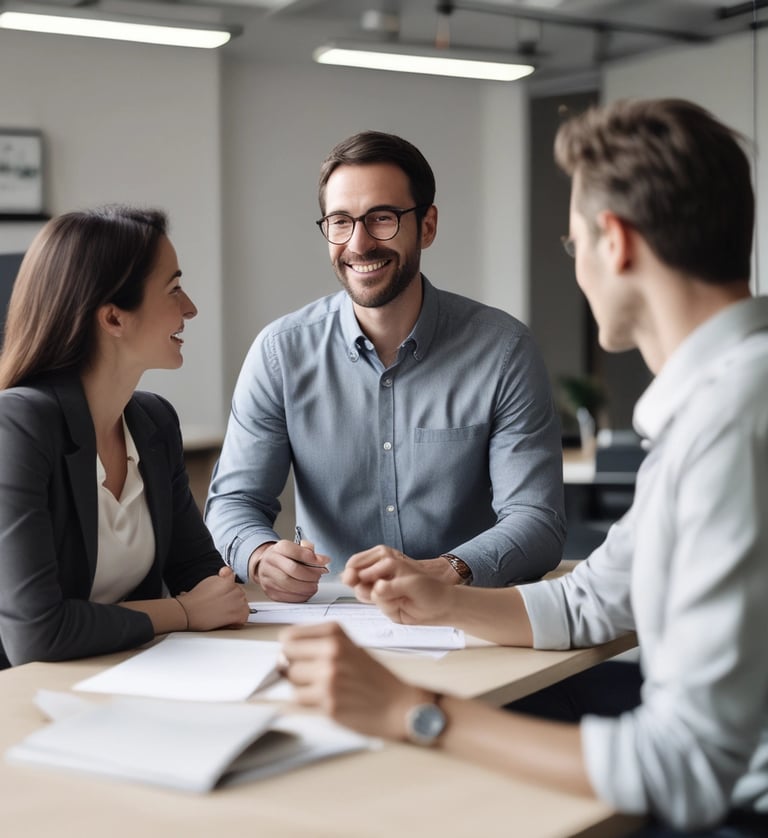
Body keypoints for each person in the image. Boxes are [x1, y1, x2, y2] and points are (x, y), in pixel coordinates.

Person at [279, 98, 768, 837]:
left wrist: (411, 712)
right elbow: (591, 604)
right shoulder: (721, 397)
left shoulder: (733, 419)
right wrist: (440, 597)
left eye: (574, 247)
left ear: (616, 242)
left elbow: (685, 767)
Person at [205, 130, 565, 603]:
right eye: (340, 221)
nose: (359, 244)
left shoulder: (502, 350)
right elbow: (234, 503)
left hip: (467, 615)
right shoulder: (280, 354)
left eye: (382, 218)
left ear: (427, 226)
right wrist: (260, 554)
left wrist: (448, 571)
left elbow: (536, 519)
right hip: (331, 617)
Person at [0, 206, 250, 669]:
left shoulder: (154, 421)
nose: (190, 307)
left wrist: (249, 575)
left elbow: (201, 575)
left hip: (128, 676)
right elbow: (35, 634)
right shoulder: (15, 427)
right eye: (174, 289)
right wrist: (182, 612)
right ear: (114, 319)